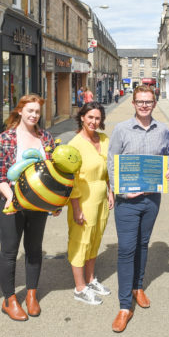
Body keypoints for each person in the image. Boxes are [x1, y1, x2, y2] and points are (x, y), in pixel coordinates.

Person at [107, 85, 169, 333]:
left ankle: (138, 287)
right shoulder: (121, 129)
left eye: (148, 102)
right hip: (127, 200)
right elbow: (112, 162)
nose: (144, 105)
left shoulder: (163, 130)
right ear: (133, 103)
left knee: (143, 243)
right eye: (140, 102)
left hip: (151, 199)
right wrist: (121, 190)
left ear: (154, 104)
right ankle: (125, 306)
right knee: (127, 249)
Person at [0, 94, 56, 321]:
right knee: (9, 252)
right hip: (11, 202)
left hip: (38, 205)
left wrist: (55, 201)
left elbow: (53, 173)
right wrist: (12, 199)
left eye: (37, 112)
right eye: (29, 111)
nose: (33, 115)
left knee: (34, 249)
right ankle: (9, 299)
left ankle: (31, 294)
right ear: (19, 111)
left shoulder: (46, 138)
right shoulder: (6, 138)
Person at [67, 102, 114, 305]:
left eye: (97, 118)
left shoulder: (104, 139)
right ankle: (80, 288)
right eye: (90, 117)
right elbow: (72, 180)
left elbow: (110, 167)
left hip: (101, 197)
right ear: (82, 117)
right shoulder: (74, 145)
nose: (94, 121)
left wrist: (110, 190)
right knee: (80, 241)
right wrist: (76, 208)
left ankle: (91, 279)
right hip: (83, 198)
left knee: (95, 239)